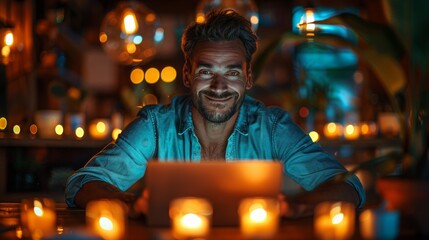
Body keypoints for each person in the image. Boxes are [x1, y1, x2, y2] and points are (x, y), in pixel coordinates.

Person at [65, 9, 365, 217]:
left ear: (248, 78)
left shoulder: (272, 127)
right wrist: (132, 204)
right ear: (187, 74)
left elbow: (347, 187)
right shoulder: (156, 125)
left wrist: (296, 207)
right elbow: (84, 182)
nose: (219, 86)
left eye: (232, 73)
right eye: (207, 71)